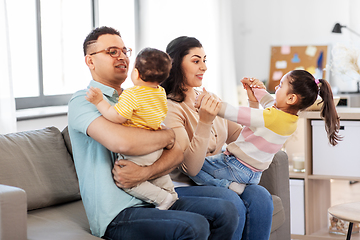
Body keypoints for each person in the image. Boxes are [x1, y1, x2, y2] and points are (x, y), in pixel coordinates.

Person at [68, 26, 238, 240]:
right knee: (193, 227)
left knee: (226, 211)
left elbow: (177, 153)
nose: (121, 56)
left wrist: (147, 170)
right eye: (112, 51)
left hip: (153, 197)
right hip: (118, 212)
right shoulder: (83, 100)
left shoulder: (141, 96)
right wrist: (167, 137)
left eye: (124, 51)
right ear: (90, 61)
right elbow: (123, 143)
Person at [161, 36, 273, 240]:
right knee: (232, 202)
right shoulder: (169, 108)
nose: (203, 67)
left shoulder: (209, 98)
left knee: (261, 197)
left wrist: (253, 103)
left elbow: (243, 139)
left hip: (219, 179)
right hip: (184, 186)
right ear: (175, 64)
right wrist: (205, 121)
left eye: (205, 60)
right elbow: (191, 169)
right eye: (196, 61)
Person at [190, 70, 341, 194]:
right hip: (254, 174)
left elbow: (235, 113)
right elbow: (270, 102)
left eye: (281, 86)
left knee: (191, 166)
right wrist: (257, 89)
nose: (276, 88)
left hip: (236, 166)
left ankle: (224, 185)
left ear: (291, 98)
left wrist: (209, 102)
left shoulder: (271, 117)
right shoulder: (290, 119)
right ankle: (232, 185)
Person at [85, 47, 177, 210]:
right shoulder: (160, 92)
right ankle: (172, 194)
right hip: (156, 148)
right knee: (159, 176)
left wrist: (99, 101)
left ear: (136, 73)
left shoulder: (132, 94)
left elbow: (116, 116)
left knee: (129, 184)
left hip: (139, 152)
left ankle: (163, 198)